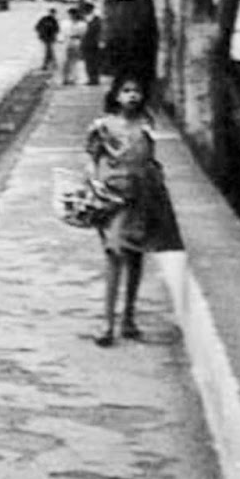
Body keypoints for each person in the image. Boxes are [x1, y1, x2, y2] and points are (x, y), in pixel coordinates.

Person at [84, 75, 184, 347]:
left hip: (143, 197)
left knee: (136, 257)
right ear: (116, 96)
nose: (132, 96)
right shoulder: (102, 127)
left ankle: (128, 318)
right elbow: (90, 159)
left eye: (136, 91)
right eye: (126, 91)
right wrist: (95, 185)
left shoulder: (147, 125)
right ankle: (107, 322)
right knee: (115, 252)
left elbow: (150, 158)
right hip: (114, 198)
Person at [61, 6, 86, 85]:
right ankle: (66, 78)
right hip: (68, 42)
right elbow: (62, 33)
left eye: (73, 14)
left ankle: (74, 78)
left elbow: (83, 34)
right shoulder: (65, 23)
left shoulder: (82, 24)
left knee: (75, 61)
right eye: (70, 14)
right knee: (66, 61)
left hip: (77, 42)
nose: (72, 16)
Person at [80, 4, 105, 85]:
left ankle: (94, 79)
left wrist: (100, 41)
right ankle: (92, 78)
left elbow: (99, 32)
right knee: (88, 62)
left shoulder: (96, 20)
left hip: (93, 44)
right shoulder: (85, 19)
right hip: (87, 44)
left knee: (94, 62)